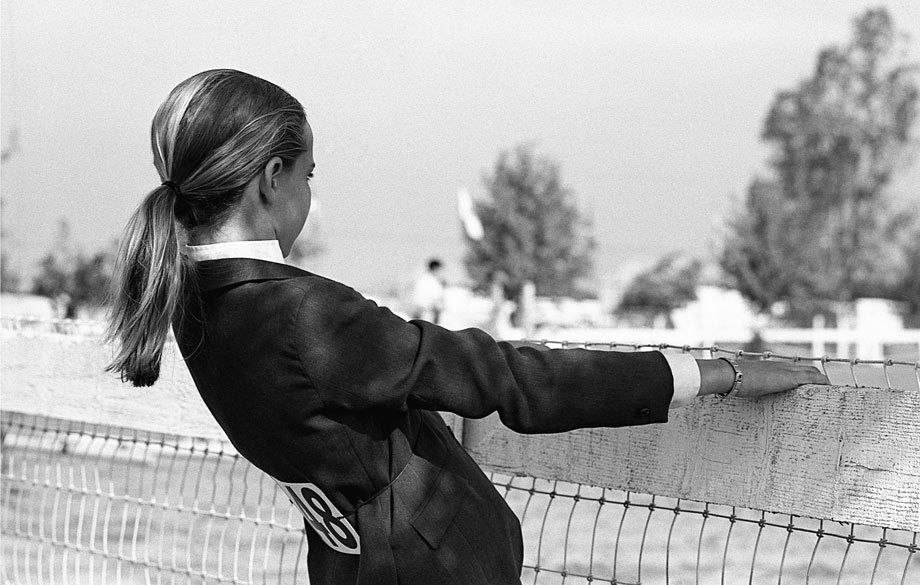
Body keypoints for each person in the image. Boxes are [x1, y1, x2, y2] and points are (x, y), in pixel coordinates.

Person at [106, 69, 830, 585]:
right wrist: (709, 371)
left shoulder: (193, 306)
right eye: (309, 175)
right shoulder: (303, 314)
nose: (309, 197)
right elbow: (509, 380)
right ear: (271, 177)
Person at [410, 258, 446, 324]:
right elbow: (419, 297)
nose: (440, 272)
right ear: (435, 268)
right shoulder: (425, 280)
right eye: (439, 269)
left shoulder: (435, 280)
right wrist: (429, 306)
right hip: (426, 312)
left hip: (433, 312)